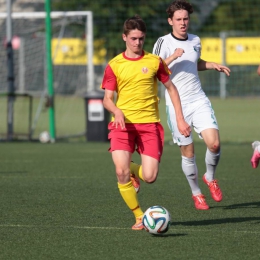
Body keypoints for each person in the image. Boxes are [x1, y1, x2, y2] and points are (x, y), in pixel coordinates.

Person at [101, 15, 191, 230]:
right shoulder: (115, 65)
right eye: (133, 38)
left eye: (141, 38)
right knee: (120, 171)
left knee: (150, 177)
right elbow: (107, 99)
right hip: (122, 126)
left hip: (149, 125)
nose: (137, 43)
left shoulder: (154, 62)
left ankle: (133, 169)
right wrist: (117, 111)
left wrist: (180, 118)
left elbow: (171, 88)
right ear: (125, 37)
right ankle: (139, 216)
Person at [153, 0, 231, 210]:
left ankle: (210, 177)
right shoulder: (163, 42)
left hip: (198, 99)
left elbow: (193, 62)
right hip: (177, 104)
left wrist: (211, 64)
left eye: (185, 18)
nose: (183, 23)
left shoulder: (196, 40)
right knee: (188, 151)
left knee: (214, 144)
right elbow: (153, 68)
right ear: (170, 21)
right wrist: (172, 56)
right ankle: (196, 193)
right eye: (178, 19)